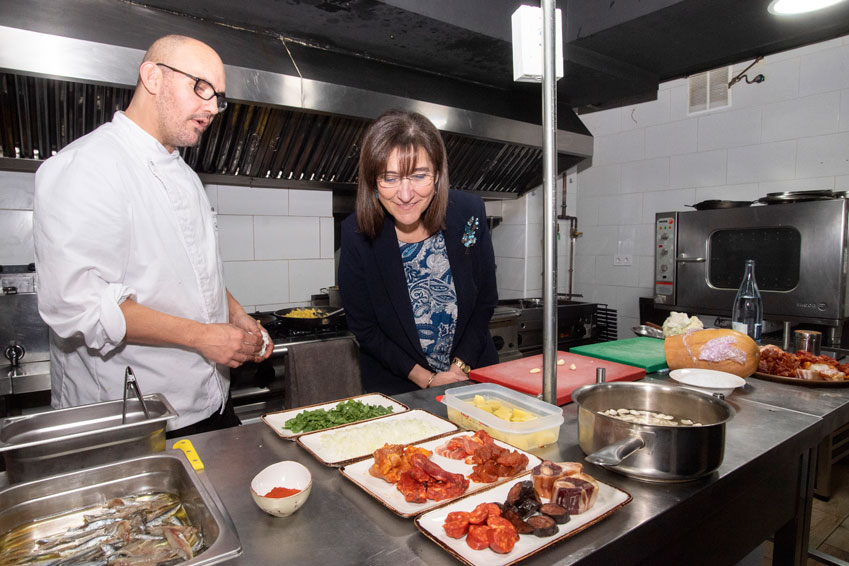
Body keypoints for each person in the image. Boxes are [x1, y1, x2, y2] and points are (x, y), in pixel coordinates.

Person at [33, 35, 271, 437]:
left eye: (219, 98)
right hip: (134, 422)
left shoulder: (187, 176)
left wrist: (235, 314)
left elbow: (195, 270)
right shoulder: (85, 167)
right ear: (153, 77)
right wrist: (202, 337)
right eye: (201, 88)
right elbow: (79, 307)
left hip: (209, 403)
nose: (213, 108)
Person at [339, 110, 498, 395]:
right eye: (389, 178)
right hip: (399, 388)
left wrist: (457, 370)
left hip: (472, 379)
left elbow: (485, 299)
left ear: (437, 174)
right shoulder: (356, 235)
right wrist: (427, 379)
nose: (405, 194)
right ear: (373, 181)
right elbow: (365, 329)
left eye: (419, 176)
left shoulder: (469, 213)